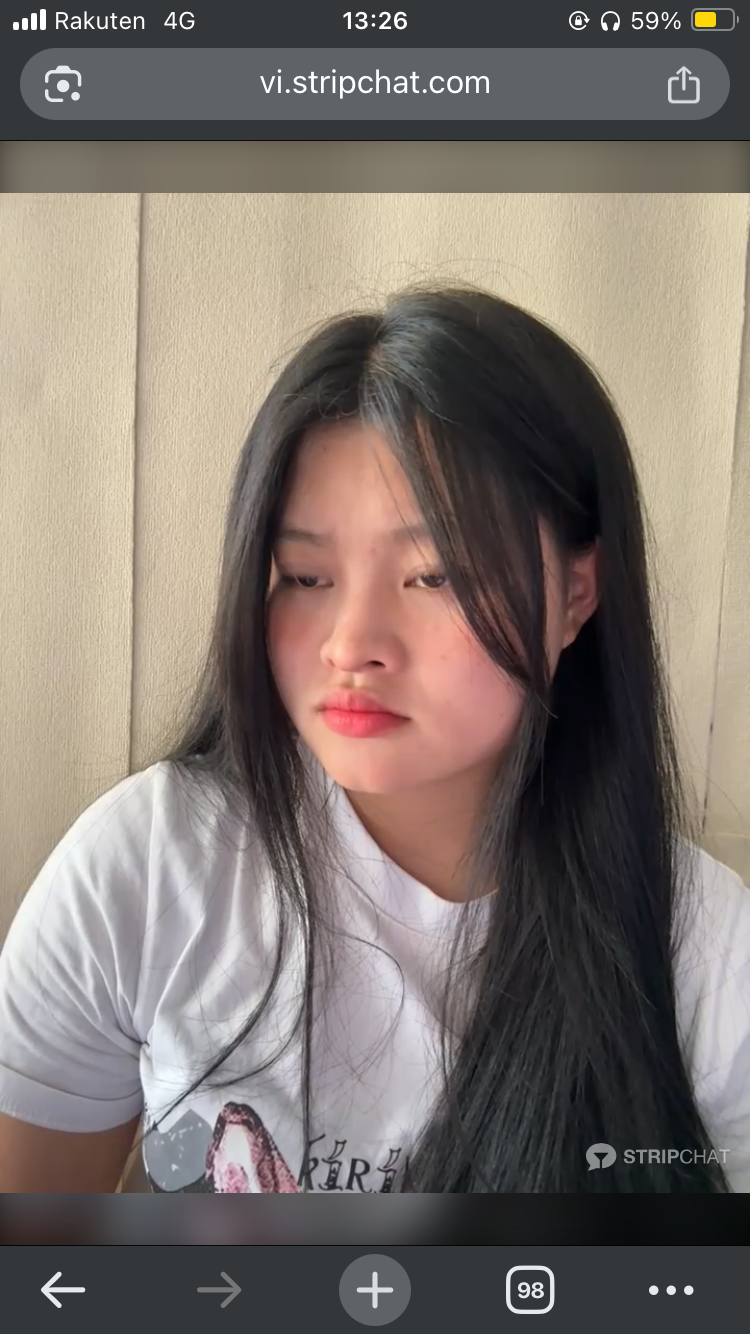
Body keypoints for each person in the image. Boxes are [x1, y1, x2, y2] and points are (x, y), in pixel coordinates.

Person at [0, 283, 748, 1193]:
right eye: (305, 576)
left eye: (435, 576)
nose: (350, 645)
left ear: (577, 594)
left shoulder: (703, 952)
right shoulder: (153, 867)